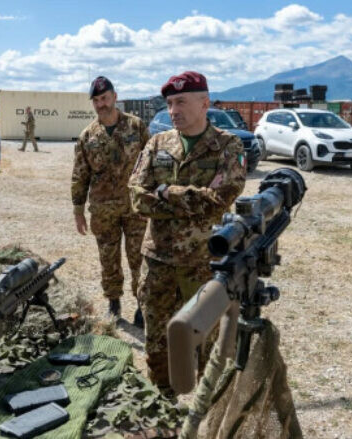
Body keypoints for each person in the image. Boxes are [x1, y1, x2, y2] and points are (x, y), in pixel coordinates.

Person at [128, 71, 246, 389]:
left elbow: (220, 200)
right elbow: (137, 198)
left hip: (204, 264)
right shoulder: (157, 143)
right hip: (158, 263)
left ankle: (206, 413)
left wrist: (166, 192)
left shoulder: (227, 145)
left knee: (210, 347)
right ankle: (162, 407)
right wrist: (193, 197)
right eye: (169, 104)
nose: (173, 111)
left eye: (181, 102)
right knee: (157, 346)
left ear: (204, 103)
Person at [71, 76, 150, 323]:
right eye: (96, 100)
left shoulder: (136, 127)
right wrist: (78, 210)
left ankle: (142, 305)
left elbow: (151, 164)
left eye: (104, 98)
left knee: (139, 258)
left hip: (136, 208)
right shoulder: (88, 136)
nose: (101, 104)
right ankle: (113, 303)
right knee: (108, 258)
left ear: (115, 97)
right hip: (103, 210)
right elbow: (80, 174)